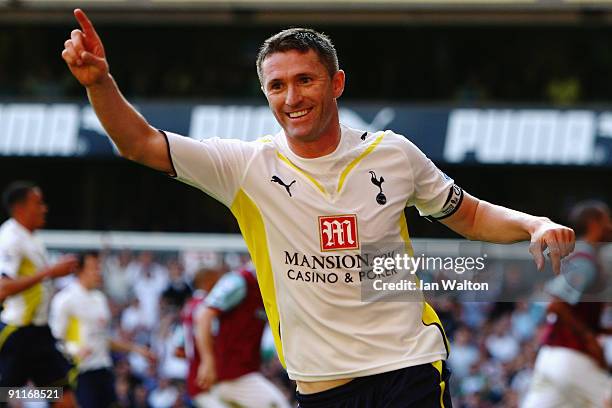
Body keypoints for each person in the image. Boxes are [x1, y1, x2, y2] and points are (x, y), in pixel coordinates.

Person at [62, 11, 576, 407]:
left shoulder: (392, 153)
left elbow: (469, 215)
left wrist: (534, 223)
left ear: (336, 83)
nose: (292, 97)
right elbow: (141, 145)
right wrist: (98, 84)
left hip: (409, 365)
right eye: (277, 85)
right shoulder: (245, 165)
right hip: (321, 383)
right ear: (266, 94)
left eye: (305, 79)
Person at [522, 200, 612, 408]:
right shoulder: (585, 260)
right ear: (593, 224)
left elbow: (570, 310)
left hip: (550, 357)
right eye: (607, 220)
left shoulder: (578, 255)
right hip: (572, 357)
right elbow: (556, 305)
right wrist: (589, 337)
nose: (610, 226)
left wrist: (600, 330)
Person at [0, 181, 78, 407]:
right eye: (38, 203)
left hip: (40, 335)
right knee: (5, 397)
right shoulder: (10, 238)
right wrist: (50, 272)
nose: (44, 208)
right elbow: (3, 288)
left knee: (64, 399)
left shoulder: (31, 238)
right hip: (18, 334)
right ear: (20, 208)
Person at [49, 251, 156, 408]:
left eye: (99, 266)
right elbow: (56, 339)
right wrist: (73, 351)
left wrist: (136, 349)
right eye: (93, 267)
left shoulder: (99, 299)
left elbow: (103, 339)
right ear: (79, 270)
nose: (98, 271)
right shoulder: (65, 300)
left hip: (103, 368)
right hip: (80, 372)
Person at [193, 265, 290, 408]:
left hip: (244, 374)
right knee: (279, 405)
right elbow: (204, 315)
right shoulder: (239, 281)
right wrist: (207, 361)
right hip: (233, 377)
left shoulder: (268, 285)